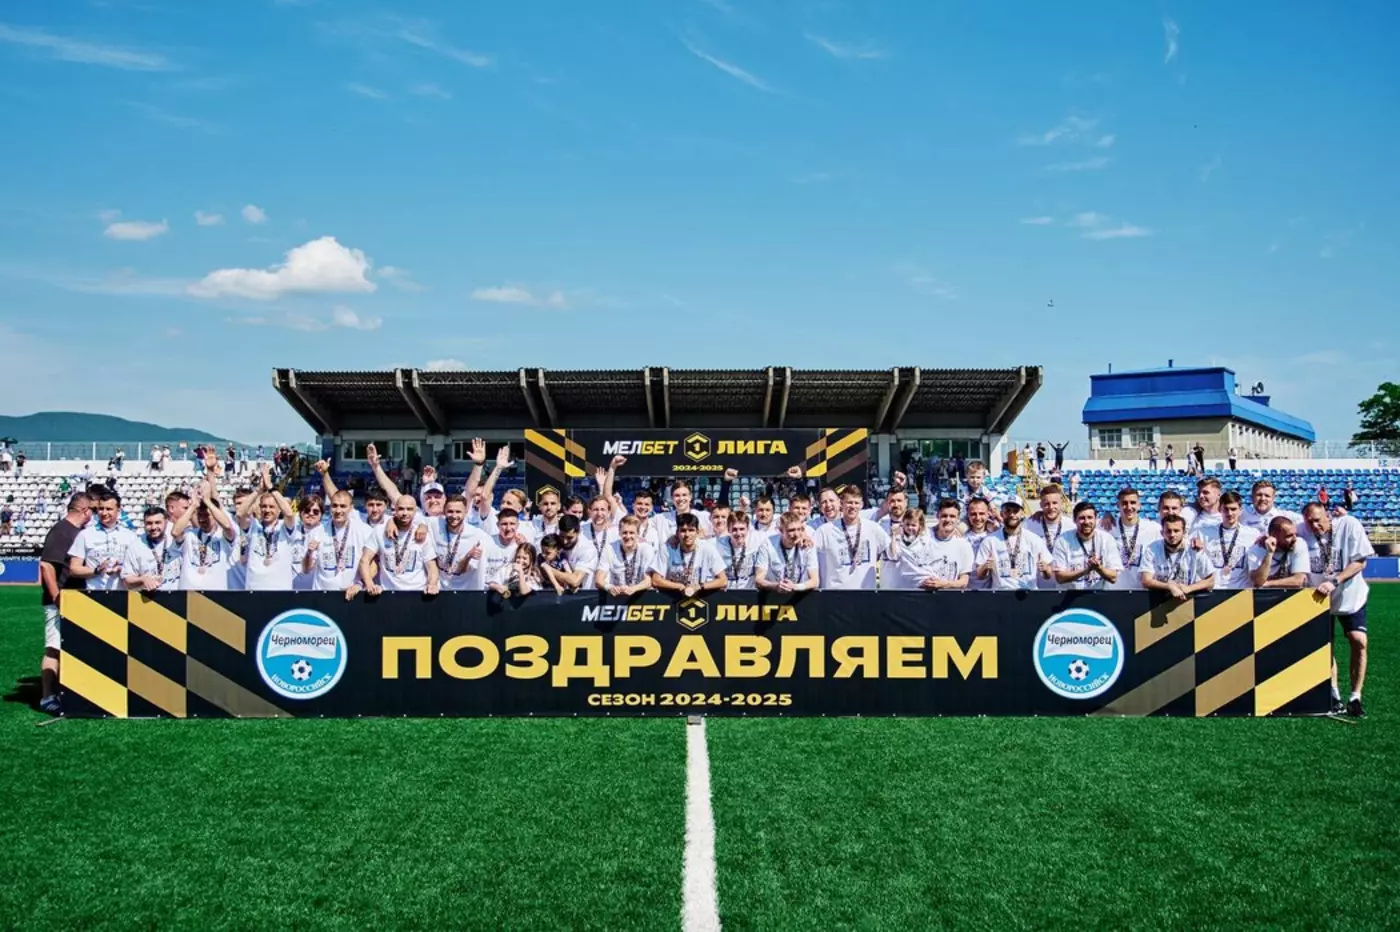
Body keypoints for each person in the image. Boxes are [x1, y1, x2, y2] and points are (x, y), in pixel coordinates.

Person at [1300, 502, 1374, 717]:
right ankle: (1333, 694)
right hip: (1319, 598)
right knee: (1326, 645)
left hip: (1350, 595)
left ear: (1327, 514)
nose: (1314, 525)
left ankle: (1355, 696)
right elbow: (1280, 525)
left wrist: (1335, 580)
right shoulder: (1301, 529)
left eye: (1317, 520)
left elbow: (1360, 562)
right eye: (1309, 521)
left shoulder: (1349, 524)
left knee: (1359, 640)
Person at [37, 493, 92, 714]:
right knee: (54, 648)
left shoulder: (74, 531)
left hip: (74, 599)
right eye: (92, 509)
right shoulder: (62, 531)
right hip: (60, 600)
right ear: (85, 510)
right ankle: (47, 696)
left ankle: (67, 692)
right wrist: (57, 596)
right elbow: (46, 566)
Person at [360, 494, 441, 594]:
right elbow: (365, 559)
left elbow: (431, 566)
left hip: (417, 593)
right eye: (401, 509)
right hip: (388, 593)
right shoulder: (379, 532)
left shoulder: (421, 534)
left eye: (409, 509)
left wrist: (432, 584)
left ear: (415, 512)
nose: (405, 513)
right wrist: (369, 584)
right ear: (395, 510)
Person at [813, 486, 890, 590]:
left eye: (856, 503)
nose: (853, 506)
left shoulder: (873, 528)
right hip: (835, 593)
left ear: (862, 504)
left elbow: (892, 553)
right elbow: (809, 554)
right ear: (841, 504)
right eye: (849, 503)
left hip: (865, 593)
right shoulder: (824, 531)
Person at [66, 489, 144, 592]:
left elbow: (140, 569)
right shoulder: (85, 534)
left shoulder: (130, 536)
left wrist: (122, 569)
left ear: (118, 510)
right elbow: (74, 569)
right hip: (94, 595)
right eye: (101, 509)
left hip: (123, 594)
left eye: (109, 509)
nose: (104, 513)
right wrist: (96, 570)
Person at [171, 481, 240, 591]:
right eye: (200, 515)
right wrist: (193, 506)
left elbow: (227, 526)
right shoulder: (190, 534)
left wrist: (207, 501)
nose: (202, 519)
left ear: (215, 516)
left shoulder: (222, 536)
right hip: (188, 593)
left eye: (207, 515)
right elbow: (175, 532)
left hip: (215, 594)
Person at [304, 490, 377, 595]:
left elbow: (374, 565)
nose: (338, 510)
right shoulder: (317, 532)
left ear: (351, 508)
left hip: (353, 595)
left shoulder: (364, 531)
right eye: (335, 506)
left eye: (343, 506)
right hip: (322, 595)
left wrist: (360, 584)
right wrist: (309, 553)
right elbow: (306, 570)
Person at [977, 497, 1054, 591]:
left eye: (1016, 511)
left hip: (1028, 593)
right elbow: (979, 576)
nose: (1012, 514)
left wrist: (1045, 569)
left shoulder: (1034, 539)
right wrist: (985, 567)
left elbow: (1048, 575)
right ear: (1001, 514)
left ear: (1022, 513)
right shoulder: (989, 541)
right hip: (1001, 594)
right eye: (1008, 511)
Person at [1139, 514, 1215, 601]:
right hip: (1158, 600)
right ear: (1162, 533)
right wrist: (1168, 586)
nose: (1172, 535)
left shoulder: (1194, 548)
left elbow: (1211, 581)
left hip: (1187, 600)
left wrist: (1189, 588)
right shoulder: (1152, 549)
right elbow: (1145, 580)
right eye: (1168, 531)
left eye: (1176, 531)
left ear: (1184, 532)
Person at [651, 512, 726, 597]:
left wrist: (699, 587)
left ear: (697, 532)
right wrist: (679, 587)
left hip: (701, 597)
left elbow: (723, 580)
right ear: (677, 533)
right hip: (673, 597)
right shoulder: (667, 549)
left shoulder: (707, 549)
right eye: (683, 530)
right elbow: (656, 580)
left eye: (691, 530)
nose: (687, 535)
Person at [1052, 502, 1123, 590]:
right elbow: (1059, 577)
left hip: (1098, 595)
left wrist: (1099, 568)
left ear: (1096, 519)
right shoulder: (1062, 540)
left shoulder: (1107, 539)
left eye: (1090, 517)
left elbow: (1113, 577)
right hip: (1070, 595)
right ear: (1074, 520)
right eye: (1082, 518)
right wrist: (1086, 571)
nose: (1086, 522)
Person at [1104, 487, 1160, 590]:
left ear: (1139, 505)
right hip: (1113, 591)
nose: (1129, 507)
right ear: (1118, 505)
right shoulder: (1107, 527)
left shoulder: (1153, 529)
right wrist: (1106, 515)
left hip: (1142, 591)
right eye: (1124, 503)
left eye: (1133, 502)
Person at [1193, 490, 1249, 590]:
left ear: (1240, 510)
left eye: (1233, 509)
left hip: (1240, 590)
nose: (1229, 513)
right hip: (1213, 589)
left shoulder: (1252, 534)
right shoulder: (1204, 533)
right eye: (1226, 509)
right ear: (1220, 509)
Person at [596, 515, 658, 596]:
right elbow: (599, 579)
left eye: (631, 533)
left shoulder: (647, 549)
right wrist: (610, 587)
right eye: (624, 533)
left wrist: (633, 589)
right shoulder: (609, 549)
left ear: (638, 534)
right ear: (619, 533)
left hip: (640, 596)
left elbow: (649, 581)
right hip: (616, 596)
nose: (628, 536)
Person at [758, 512, 820, 592]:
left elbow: (815, 581)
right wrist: (775, 586)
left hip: (800, 594)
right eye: (791, 530)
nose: (796, 534)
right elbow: (758, 579)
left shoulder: (807, 545)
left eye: (799, 529)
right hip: (774, 594)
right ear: (781, 530)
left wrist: (795, 587)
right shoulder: (768, 544)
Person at [1246, 516, 1310, 589]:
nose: (1294, 539)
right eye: (1289, 536)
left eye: (1295, 534)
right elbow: (1258, 581)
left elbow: (1299, 580)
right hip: (1265, 595)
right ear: (1274, 536)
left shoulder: (1299, 543)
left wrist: (1267, 584)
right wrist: (1269, 553)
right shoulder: (1256, 549)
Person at [715, 510, 766, 590]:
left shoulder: (758, 541)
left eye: (742, 529)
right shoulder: (717, 545)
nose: (738, 533)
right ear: (728, 529)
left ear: (748, 529)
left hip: (749, 593)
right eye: (734, 529)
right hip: (726, 593)